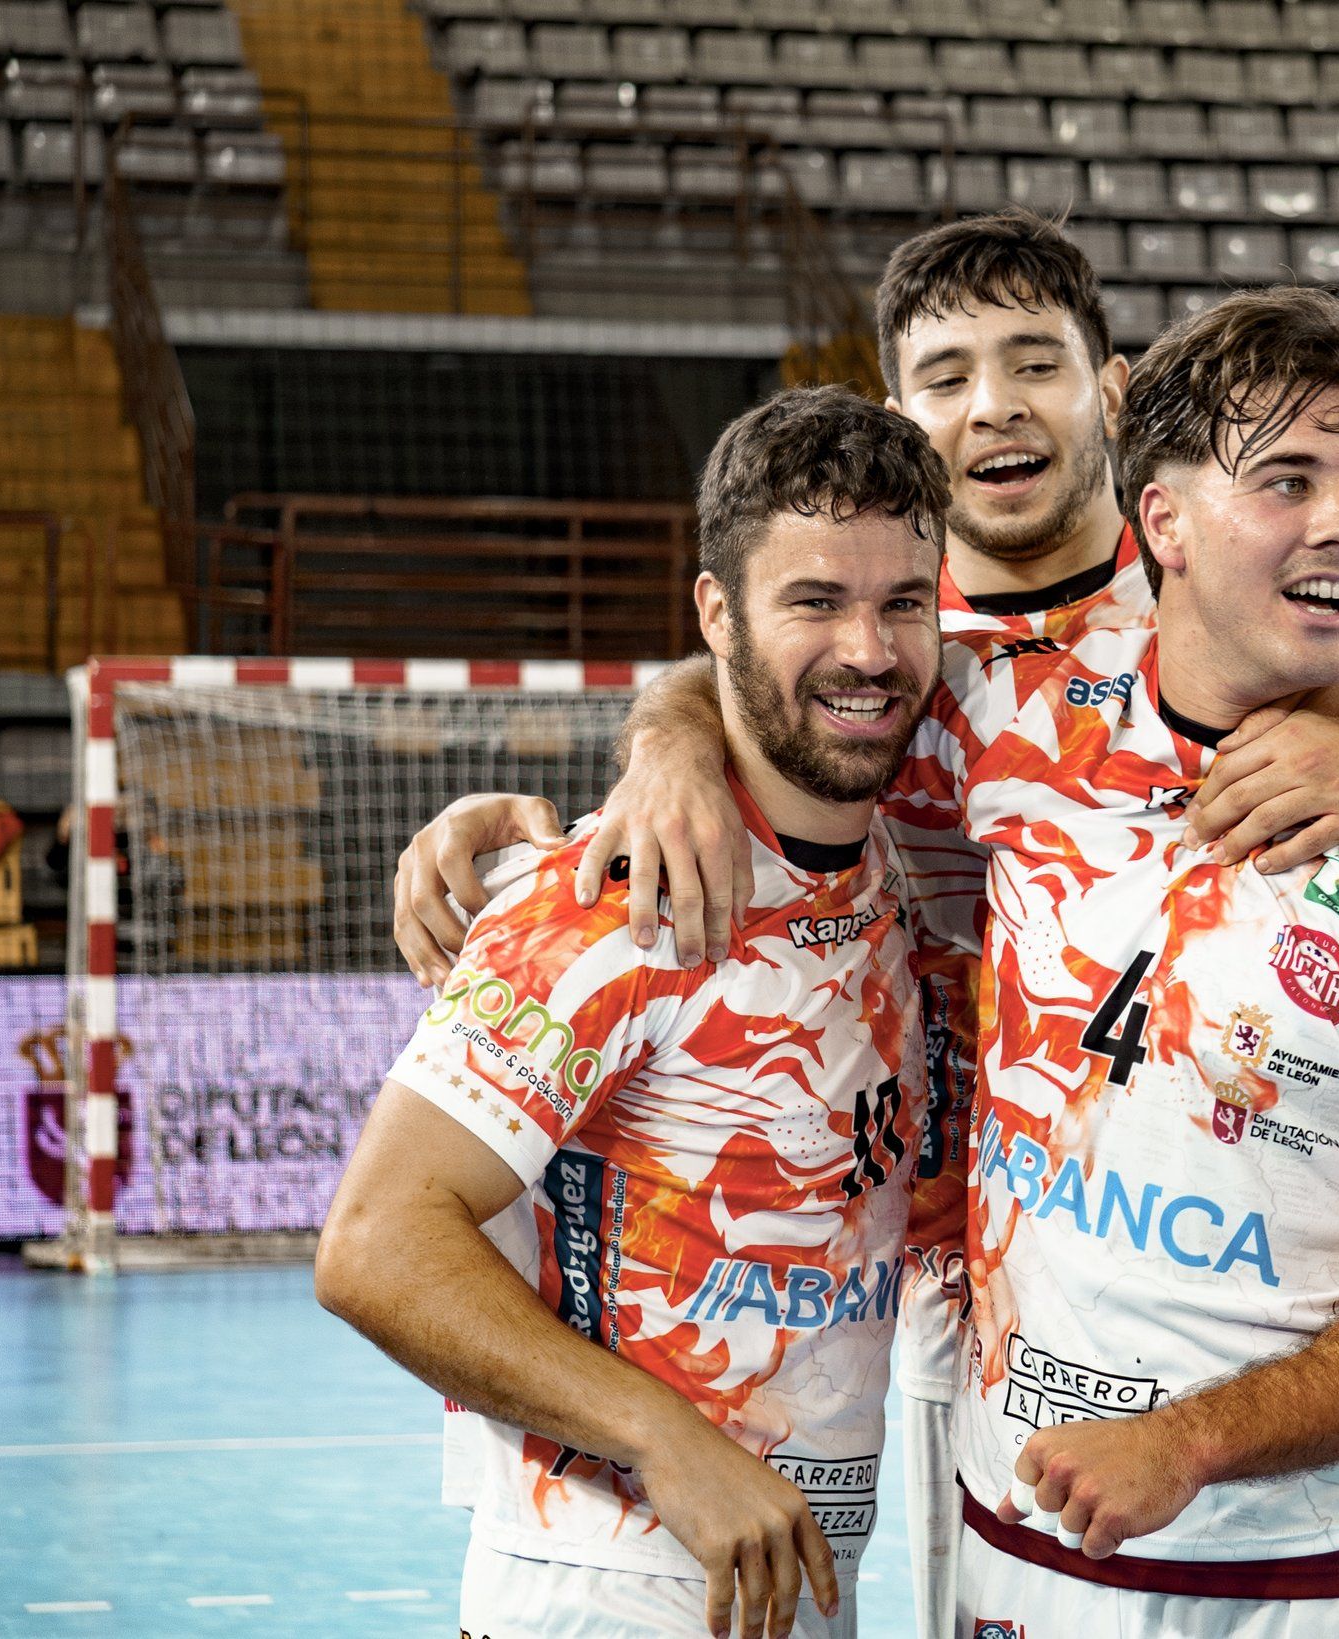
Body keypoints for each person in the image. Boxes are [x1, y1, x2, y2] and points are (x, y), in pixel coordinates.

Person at [389, 211, 1339, 1636]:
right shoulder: (917, 647)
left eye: (1033, 362)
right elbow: (746, 687)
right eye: (946, 376)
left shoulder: (1306, 586)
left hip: (1257, 1285)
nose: (993, 405)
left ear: (1109, 391)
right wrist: (655, 743)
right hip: (944, 1259)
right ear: (904, 420)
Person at [940, 285, 1339, 1633]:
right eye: (1288, 477)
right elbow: (790, 717)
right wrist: (649, 751)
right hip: (1017, 1554)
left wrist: (1192, 1440)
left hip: (1317, 1586)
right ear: (1161, 520)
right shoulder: (1015, 731)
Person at [315, 387, 951, 1639]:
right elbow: (375, 1243)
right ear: (716, 611)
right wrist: (665, 1442)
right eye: (814, 602)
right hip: (604, 1585)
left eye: (902, 603)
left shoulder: (895, 874)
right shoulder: (609, 899)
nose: (868, 650)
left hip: (802, 1579)